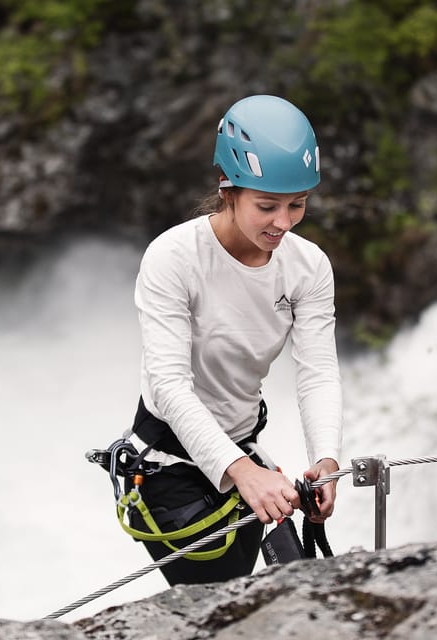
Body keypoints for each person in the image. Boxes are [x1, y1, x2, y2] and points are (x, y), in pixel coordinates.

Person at [122, 94, 343, 585]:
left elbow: (317, 372)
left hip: (244, 449)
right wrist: (243, 472)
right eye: (267, 206)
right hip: (170, 466)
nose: (283, 223)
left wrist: (326, 458)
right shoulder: (174, 258)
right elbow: (169, 385)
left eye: (298, 205)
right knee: (223, 602)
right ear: (228, 191)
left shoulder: (308, 267)